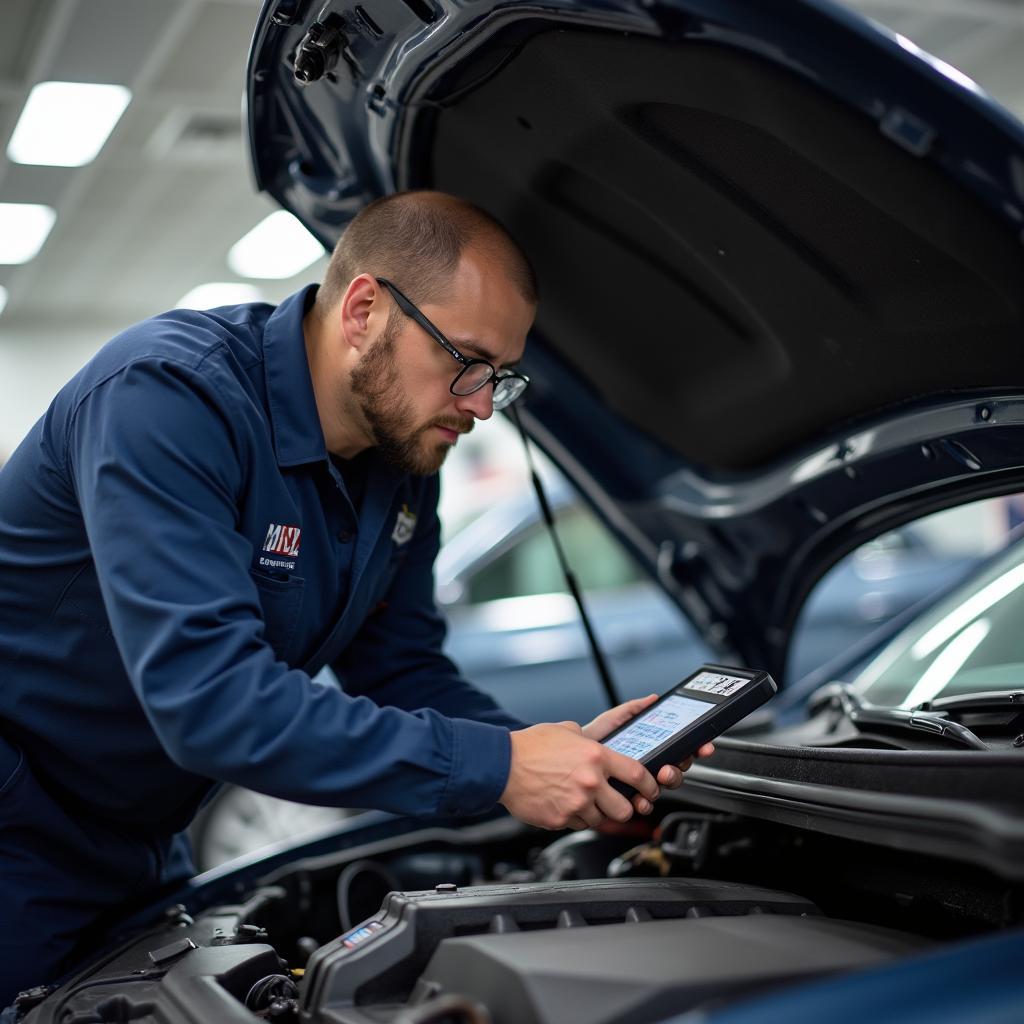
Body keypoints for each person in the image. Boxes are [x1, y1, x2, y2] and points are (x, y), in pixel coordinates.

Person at [0, 191, 711, 1004]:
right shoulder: (168, 398)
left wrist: (565, 760)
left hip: (138, 839)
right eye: (466, 361)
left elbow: (403, 669)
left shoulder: (402, 461)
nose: (481, 404)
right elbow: (212, 702)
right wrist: (500, 767)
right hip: (17, 822)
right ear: (366, 309)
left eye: (500, 378)